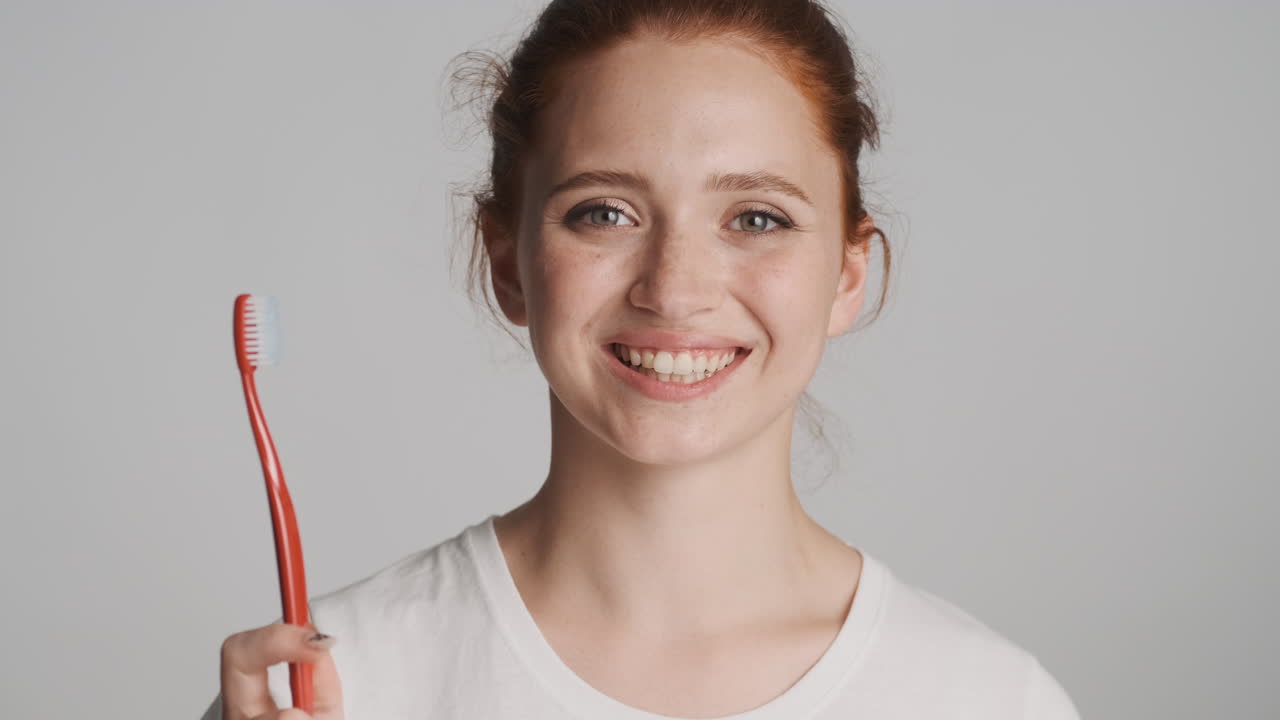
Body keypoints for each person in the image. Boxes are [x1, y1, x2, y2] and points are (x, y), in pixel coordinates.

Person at [205, 1, 1083, 718]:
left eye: (757, 218)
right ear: (506, 263)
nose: (675, 289)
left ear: (848, 275)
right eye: (605, 213)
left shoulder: (988, 699)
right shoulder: (329, 686)